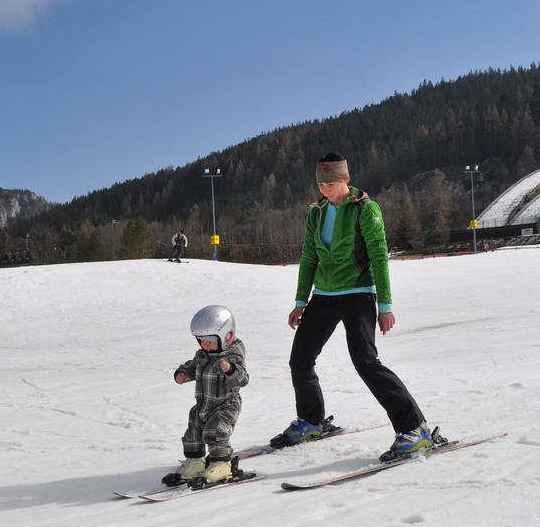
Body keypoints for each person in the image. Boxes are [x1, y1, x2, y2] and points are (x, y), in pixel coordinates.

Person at [271, 152, 432, 462]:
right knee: (300, 359)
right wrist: (300, 301)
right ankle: (311, 421)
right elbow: (309, 258)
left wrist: (385, 305)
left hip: (358, 293)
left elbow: (378, 257)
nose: (325, 189)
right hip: (325, 295)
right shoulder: (316, 213)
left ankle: (415, 428)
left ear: (345, 180)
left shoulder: (365, 210)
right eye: (321, 183)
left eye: (331, 183)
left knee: (365, 361)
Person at [165, 305, 249, 486]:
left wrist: (231, 370)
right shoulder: (203, 355)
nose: (206, 345)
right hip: (203, 405)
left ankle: (222, 464)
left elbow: (243, 379)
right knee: (193, 431)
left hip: (226, 405)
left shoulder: (232, 356)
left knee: (216, 431)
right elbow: (193, 366)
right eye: (201, 340)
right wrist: (183, 373)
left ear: (227, 336)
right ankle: (195, 462)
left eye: (210, 340)